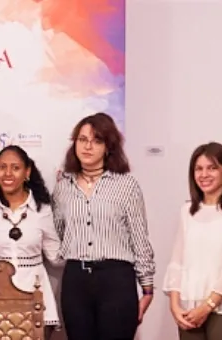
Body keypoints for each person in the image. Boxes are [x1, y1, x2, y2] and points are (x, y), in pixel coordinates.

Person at [53, 112, 156, 340]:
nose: (87, 146)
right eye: (82, 139)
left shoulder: (126, 185)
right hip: (76, 281)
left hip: (116, 279)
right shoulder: (63, 187)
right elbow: (60, 231)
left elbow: (139, 238)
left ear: (108, 147)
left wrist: (147, 287)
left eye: (96, 140)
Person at [163, 142, 222, 340]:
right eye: (199, 169)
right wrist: (175, 305)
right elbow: (177, 262)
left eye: (212, 168)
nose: (204, 175)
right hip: (188, 307)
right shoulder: (186, 211)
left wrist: (206, 307)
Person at [0, 145, 61, 337]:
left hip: (34, 294)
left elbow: (56, 257)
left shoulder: (43, 210)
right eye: (2, 167)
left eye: (15, 168)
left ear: (27, 172)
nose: (7, 173)